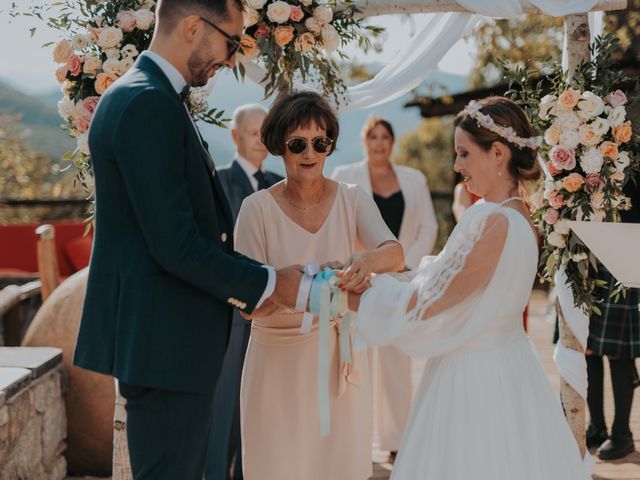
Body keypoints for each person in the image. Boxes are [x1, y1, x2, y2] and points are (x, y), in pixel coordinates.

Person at [73, 1, 302, 478]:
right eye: (231, 41)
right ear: (194, 26)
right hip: (167, 343)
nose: (232, 56)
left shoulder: (141, 95)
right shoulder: (147, 103)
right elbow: (174, 242)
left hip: (163, 341)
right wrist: (266, 283)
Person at [350, 97, 589, 479]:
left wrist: (362, 298)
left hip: (475, 378)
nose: (457, 165)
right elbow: (440, 278)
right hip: (510, 366)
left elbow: (434, 299)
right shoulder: (515, 216)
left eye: (463, 153)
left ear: (497, 153)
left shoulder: (494, 222)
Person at [235, 91, 405, 480]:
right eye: (297, 144)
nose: (309, 153)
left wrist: (365, 261)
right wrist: (298, 291)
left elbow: (394, 253)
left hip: (339, 367)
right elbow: (247, 304)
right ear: (279, 145)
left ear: (330, 144)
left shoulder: (351, 198)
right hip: (276, 368)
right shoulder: (255, 209)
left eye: (320, 142)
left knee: (338, 468)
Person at [332, 116, 437, 458]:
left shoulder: (414, 179)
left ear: (392, 142)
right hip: (358, 282)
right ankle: (355, 441)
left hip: (401, 282)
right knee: (357, 362)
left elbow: (428, 227)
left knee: (396, 363)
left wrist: (404, 266)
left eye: (385, 137)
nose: (379, 143)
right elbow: (334, 225)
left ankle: (396, 442)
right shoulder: (344, 177)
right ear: (364, 141)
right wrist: (358, 267)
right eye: (372, 137)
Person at [206, 104, 283, 480]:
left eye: (264, 131)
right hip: (231, 312)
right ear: (235, 137)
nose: (260, 140)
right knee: (225, 407)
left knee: (262, 408)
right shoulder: (218, 181)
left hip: (274, 311)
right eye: (253, 132)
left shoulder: (278, 183)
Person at [586, 178, 640, 460]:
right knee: (587, 344)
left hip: (627, 240)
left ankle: (622, 433)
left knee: (618, 349)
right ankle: (596, 426)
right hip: (584, 238)